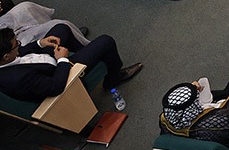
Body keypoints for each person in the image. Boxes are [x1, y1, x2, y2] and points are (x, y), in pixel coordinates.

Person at [0, 26, 142, 101]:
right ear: (6, 56)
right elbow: (56, 86)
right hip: (56, 74)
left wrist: (40, 43)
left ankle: (90, 55)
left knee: (61, 28)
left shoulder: (5, 56)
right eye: (17, 44)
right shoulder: (17, 79)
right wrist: (62, 59)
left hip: (43, 62)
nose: (19, 44)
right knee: (106, 41)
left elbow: (22, 51)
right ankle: (113, 78)